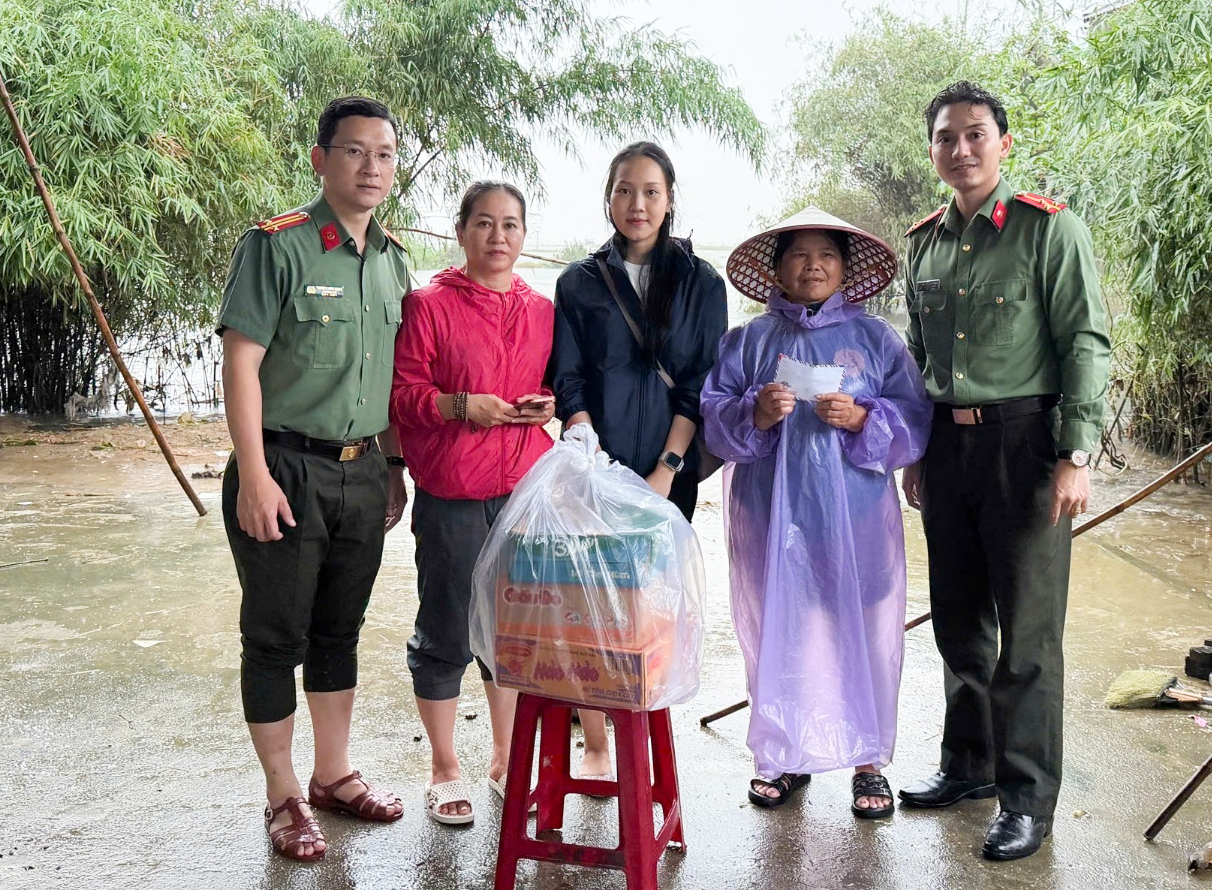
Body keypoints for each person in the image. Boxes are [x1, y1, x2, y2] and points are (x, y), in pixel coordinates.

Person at [898, 81, 1110, 860]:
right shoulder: (923, 241)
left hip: (1025, 444)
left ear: (1004, 143)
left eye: (976, 134)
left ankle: (1027, 800)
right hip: (947, 450)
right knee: (958, 619)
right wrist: (917, 449)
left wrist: (1074, 454)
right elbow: (919, 356)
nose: (961, 149)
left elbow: (1085, 341)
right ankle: (969, 766)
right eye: (947, 137)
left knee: (1027, 637)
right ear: (933, 150)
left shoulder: (1049, 232)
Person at [218, 96, 409, 862]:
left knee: (339, 632)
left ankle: (334, 775)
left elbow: (393, 378)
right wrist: (254, 477)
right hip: (285, 467)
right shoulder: (278, 246)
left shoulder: (394, 261)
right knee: (275, 638)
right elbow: (241, 361)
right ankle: (283, 793)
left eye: (385, 153)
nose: (372, 166)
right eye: (356, 150)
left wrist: (394, 467)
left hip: (364, 472)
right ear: (320, 159)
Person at [700, 207, 933, 818]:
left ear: (844, 268)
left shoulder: (877, 341)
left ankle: (868, 761)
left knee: (863, 628)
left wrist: (863, 419)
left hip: (854, 518)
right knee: (779, 627)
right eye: (799, 255)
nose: (813, 265)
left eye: (826, 255)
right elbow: (714, 418)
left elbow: (914, 422)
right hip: (768, 515)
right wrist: (754, 413)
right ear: (777, 268)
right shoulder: (747, 340)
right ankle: (782, 755)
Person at [550, 141, 728, 781]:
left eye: (651, 191)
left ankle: (644, 727)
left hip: (665, 470)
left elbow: (700, 384)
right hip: (592, 469)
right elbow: (566, 376)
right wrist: (585, 441)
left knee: (646, 606)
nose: (638, 204)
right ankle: (596, 743)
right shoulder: (578, 282)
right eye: (625, 190)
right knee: (587, 605)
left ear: (670, 199)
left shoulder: (702, 284)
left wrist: (668, 469)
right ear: (608, 198)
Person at [389, 180, 556, 825]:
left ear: (524, 236)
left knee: (512, 634)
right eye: (484, 224)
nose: (498, 238)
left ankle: (505, 755)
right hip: (453, 492)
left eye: (511, 225)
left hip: (524, 494)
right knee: (448, 630)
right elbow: (403, 399)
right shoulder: (428, 304)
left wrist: (543, 403)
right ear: (460, 232)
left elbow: (549, 384)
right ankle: (443, 767)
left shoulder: (540, 309)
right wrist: (463, 406)